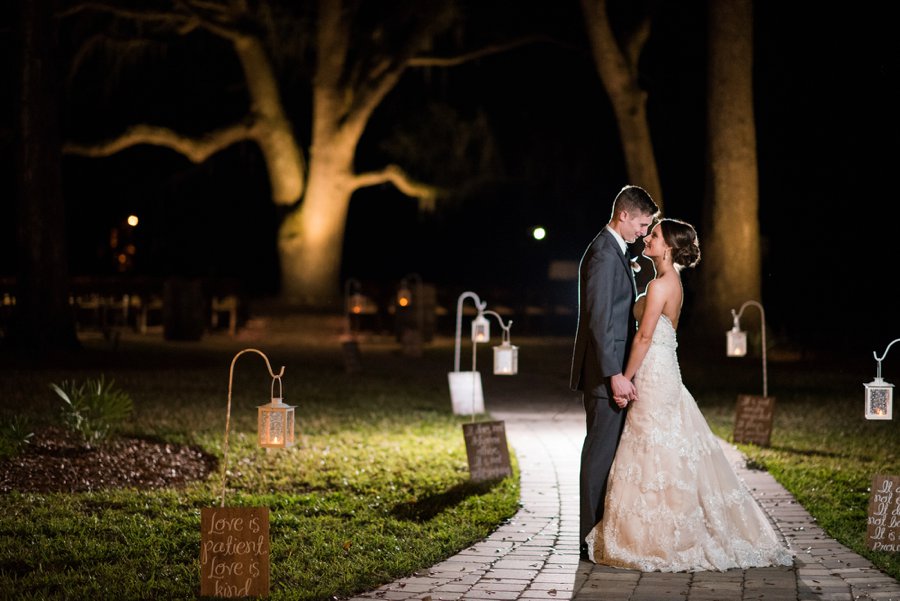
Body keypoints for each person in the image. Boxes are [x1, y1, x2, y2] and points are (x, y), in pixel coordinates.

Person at [585, 218, 794, 572]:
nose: (647, 238)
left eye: (654, 236)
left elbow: (644, 337)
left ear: (667, 247)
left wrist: (624, 378)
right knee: (665, 447)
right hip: (667, 371)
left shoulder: (658, 287)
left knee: (652, 445)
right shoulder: (672, 283)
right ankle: (666, 528)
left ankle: (658, 536)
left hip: (652, 372)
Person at [570, 184, 660, 560]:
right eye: (642, 224)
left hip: (612, 372)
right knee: (599, 455)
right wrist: (614, 375)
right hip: (605, 376)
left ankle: (600, 534)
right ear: (623, 215)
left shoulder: (614, 251)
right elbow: (599, 322)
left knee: (607, 454)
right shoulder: (605, 255)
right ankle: (588, 541)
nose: (643, 232)